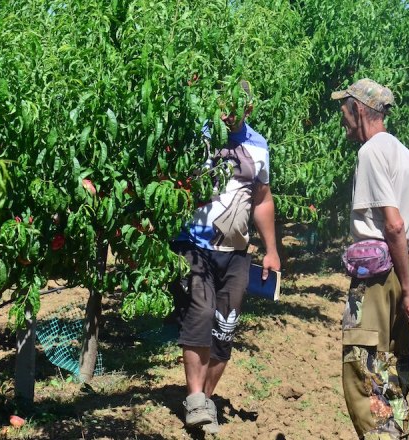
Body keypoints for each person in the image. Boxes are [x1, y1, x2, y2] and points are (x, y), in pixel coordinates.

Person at [170, 80, 281, 434]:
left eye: (238, 107)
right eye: (224, 104)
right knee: (200, 313)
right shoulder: (198, 135)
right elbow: (172, 182)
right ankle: (196, 398)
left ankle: (204, 400)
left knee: (225, 327)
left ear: (248, 109)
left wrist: (271, 249)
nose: (228, 112)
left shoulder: (257, 145)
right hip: (194, 245)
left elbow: (262, 200)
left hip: (236, 252)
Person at [331, 78, 409, 438]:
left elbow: (394, 224)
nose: (342, 118)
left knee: (364, 375)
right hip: (400, 277)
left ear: (358, 109)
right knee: (392, 376)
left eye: (344, 110)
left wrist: (405, 290)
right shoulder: (407, 157)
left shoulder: (371, 152)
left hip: (377, 281)